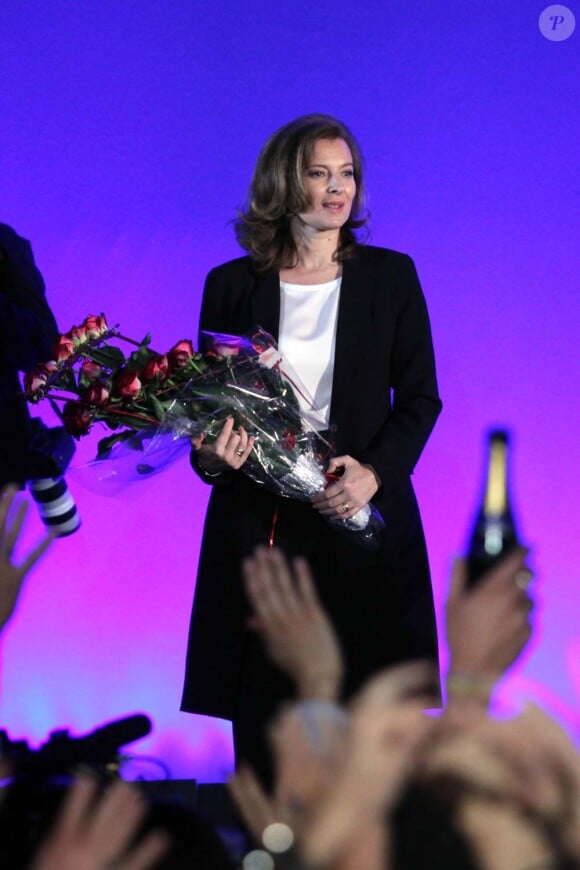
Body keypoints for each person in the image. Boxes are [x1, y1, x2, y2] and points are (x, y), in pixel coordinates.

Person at [181, 113, 442, 784]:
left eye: (346, 174)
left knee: (369, 748)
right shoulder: (231, 285)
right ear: (282, 183)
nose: (337, 190)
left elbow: (420, 400)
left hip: (357, 521)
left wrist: (375, 474)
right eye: (319, 174)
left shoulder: (391, 277)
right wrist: (212, 458)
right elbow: (209, 413)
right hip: (261, 535)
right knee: (267, 748)